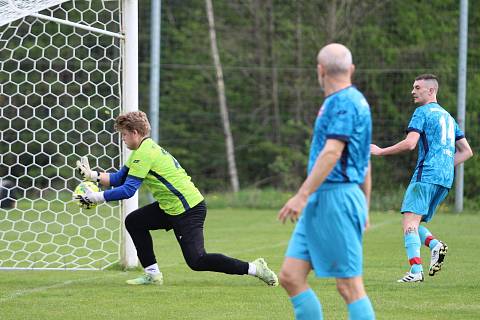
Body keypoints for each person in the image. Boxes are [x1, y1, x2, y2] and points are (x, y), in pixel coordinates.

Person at [73, 111, 278, 286]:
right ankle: (153, 275)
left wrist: (95, 197)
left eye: (124, 135)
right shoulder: (143, 150)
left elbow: (128, 190)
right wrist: (92, 176)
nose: (123, 139)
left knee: (197, 260)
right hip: (170, 206)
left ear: (135, 133)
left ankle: (254, 268)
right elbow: (118, 178)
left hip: (188, 209)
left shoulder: (144, 154)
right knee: (134, 221)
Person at [278, 43, 375, 320]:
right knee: (290, 276)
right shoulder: (345, 101)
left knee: (349, 286)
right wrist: (365, 204)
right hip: (325, 201)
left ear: (319, 70)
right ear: (351, 69)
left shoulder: (345, 102)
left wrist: (302, 194)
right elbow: (364, 161)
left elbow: (333, 152)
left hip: (336, 199)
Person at [371, 74, 473, 283]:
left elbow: (410, 144)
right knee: (414, 223)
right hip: (445, 179)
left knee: (408, 221)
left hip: (425, 175)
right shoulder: (448, 117)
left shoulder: (422, 112)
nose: (413, 91)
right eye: (413, 87)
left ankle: (416, 271)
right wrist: (444, 165)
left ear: (431, 91)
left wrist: (380, 151)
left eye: (417, 87)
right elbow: (467, 152)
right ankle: (435, 247)